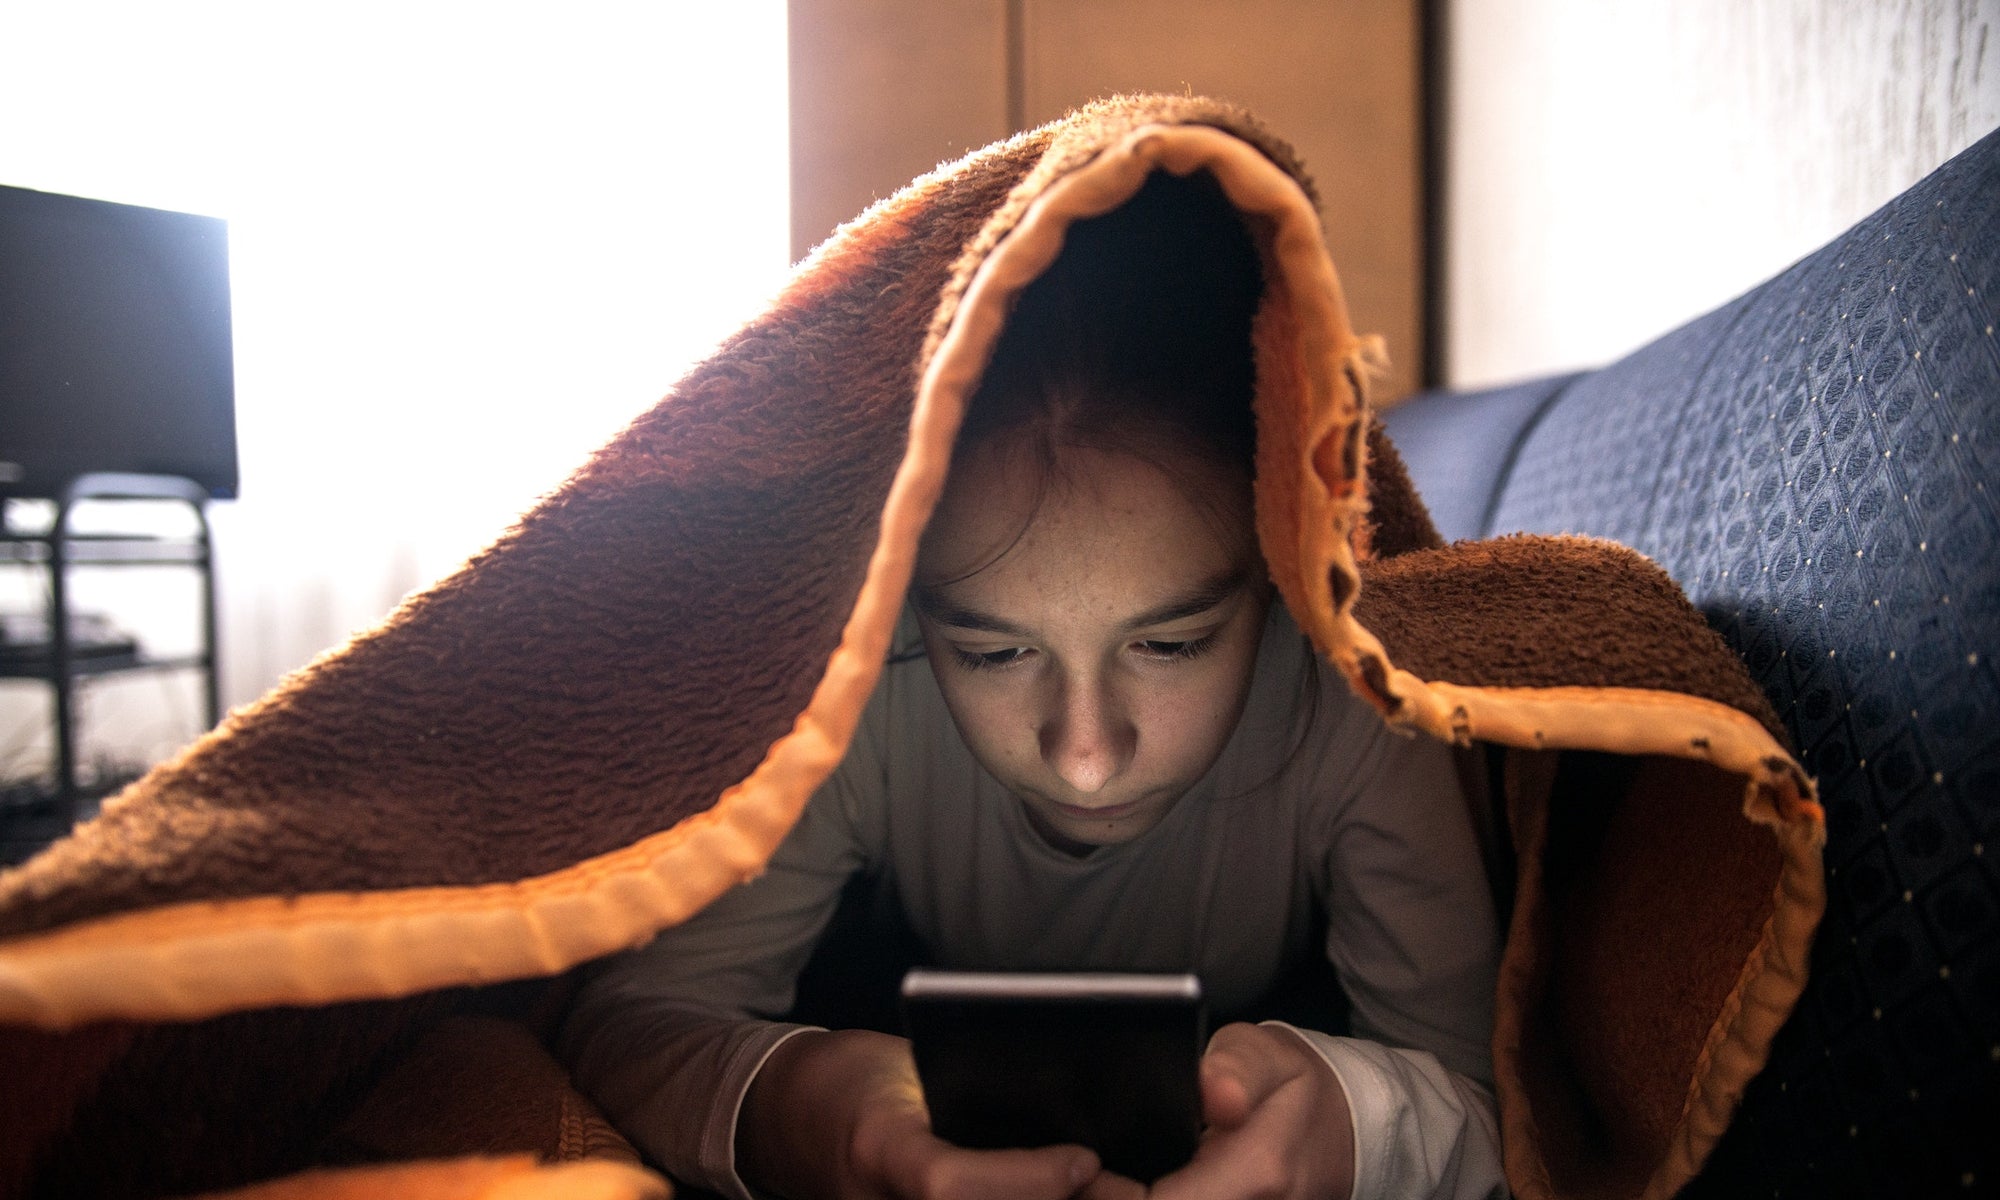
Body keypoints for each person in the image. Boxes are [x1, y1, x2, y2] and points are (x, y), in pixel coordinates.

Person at [559, 173, 1506, 1200]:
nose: (1085, 756)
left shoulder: (1361, 691)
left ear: (1283, 578)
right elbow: (631, 1022)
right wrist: (815, 1109)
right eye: (993, 654)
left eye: (1173, 644)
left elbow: (1496, 1093)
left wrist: (1350, 1126)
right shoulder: (853, 693)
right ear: (908, 604)